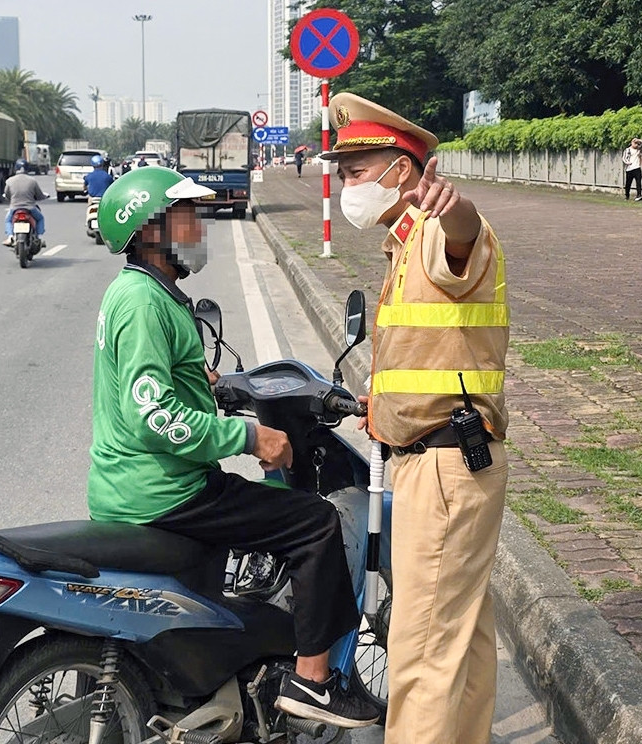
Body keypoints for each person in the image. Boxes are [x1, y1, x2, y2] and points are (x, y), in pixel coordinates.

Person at [88, 166, 381, 730]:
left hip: (127, 485)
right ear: (150, 233)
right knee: (316, 523)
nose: (199, 227)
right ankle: (315, 682)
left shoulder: (143, 294)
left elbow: (152, 386)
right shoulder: (146, 305)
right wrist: (251, 434)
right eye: (186, 217)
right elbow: (152, 418)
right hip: (163, 491)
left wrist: (210, 388)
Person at [320, 92, 509, 744]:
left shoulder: (437, 232)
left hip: (444, 469)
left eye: (356, 170)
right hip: (444, 459)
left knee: (421, 656)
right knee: (464, 641)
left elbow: (467, 236)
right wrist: (383, 408)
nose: (346, 184)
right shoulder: (401, 247)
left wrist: (457, 209)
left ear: (403, 172)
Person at [2, 159, 48, 247]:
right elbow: (39, 195)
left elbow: (7, 195)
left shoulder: (9, 181)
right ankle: (38, 238)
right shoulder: (32, 181)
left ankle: (10, 236)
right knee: (40, 218)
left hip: (14, 208)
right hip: (30, 208)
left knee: (8, 220)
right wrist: (43, 197)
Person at [623, 137, 642, 201]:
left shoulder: (638, 150)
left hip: (637, 168)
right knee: (628, 183)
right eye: (634, 143)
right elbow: (624, 158)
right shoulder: (628, 150)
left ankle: (639, 195)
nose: (636, 144)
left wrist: (638, 140)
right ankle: (627, 196)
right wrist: (627, 162)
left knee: (638, 182)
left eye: (637, 143)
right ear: (631, 143)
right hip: (629, 169)